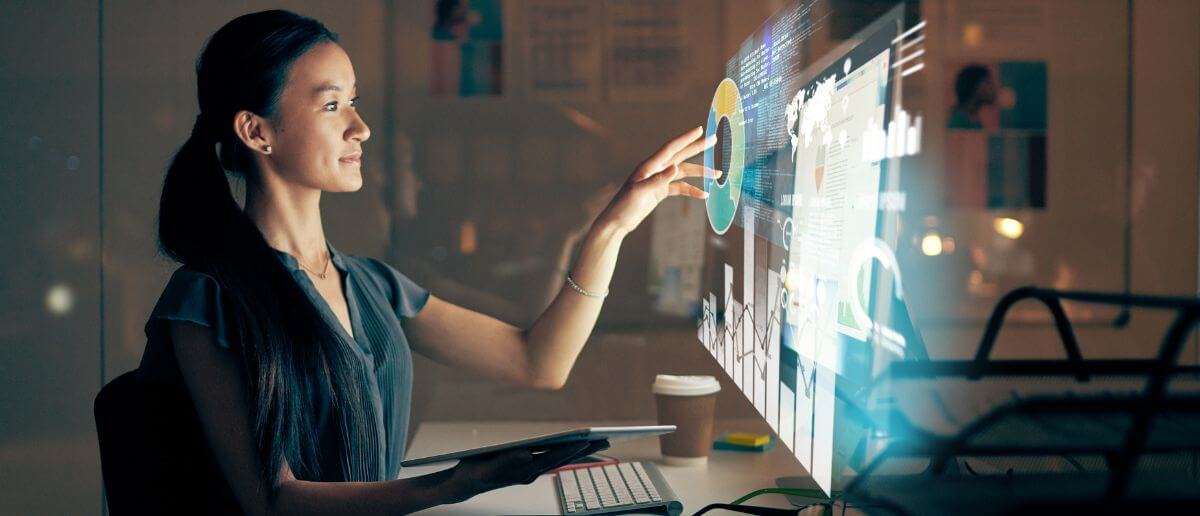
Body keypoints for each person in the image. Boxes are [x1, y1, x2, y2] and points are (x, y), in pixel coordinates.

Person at [136, 9, 717, 515]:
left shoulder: (372, 285)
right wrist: (449, 486)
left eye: (354, 101)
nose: (359, 127)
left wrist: (611, 228)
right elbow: (273, 501)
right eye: (332, 105)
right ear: (256, 132)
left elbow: (540, 361)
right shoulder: (206, 301)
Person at [947, 64, 997, 130]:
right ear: (974, 87)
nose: (993, 88)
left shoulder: (974, 119)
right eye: (988, 82)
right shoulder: (958, 121)